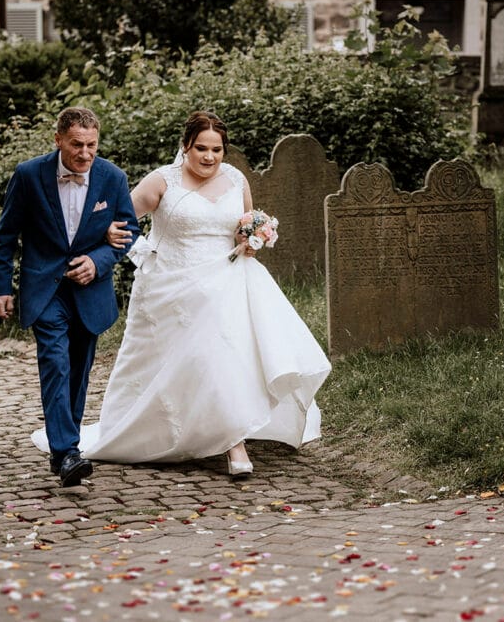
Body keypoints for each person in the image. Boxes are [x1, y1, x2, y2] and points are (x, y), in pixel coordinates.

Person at [32, 110, 331, 476]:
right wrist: (130, 248)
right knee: (205, 356)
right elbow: (114, 218)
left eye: (217, 150)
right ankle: (219, 439)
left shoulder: (237, 180)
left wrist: (251, 241)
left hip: (230, 280)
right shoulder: (162, 182)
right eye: (201, 148)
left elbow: (245, 224)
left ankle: (233, 439)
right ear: (185, 147)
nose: (209, 157)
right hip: (173, 284)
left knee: (229, 355)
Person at [0, 107, 139, 487]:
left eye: (92, 145)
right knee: (55, 363)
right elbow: (6, 236)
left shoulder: (112, 177)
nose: (85, 154)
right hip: (45, 288)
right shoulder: (28, 175)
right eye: (77, 145)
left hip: (90, 291)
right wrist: (1, 287)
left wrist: (99, 260)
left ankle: (62, 452)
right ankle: (68, 449)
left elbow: (129, 232)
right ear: (58, 140)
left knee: (78, 370)